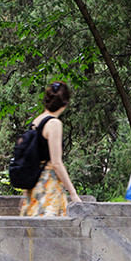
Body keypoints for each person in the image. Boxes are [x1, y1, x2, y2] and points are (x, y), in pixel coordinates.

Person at [20, 82, 82, 216]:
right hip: (48, 185)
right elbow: (56, 163)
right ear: (64, 103)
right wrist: (73, 193)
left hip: (33, 184)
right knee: (51, 233)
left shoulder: (36, 122)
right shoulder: (54, 123)